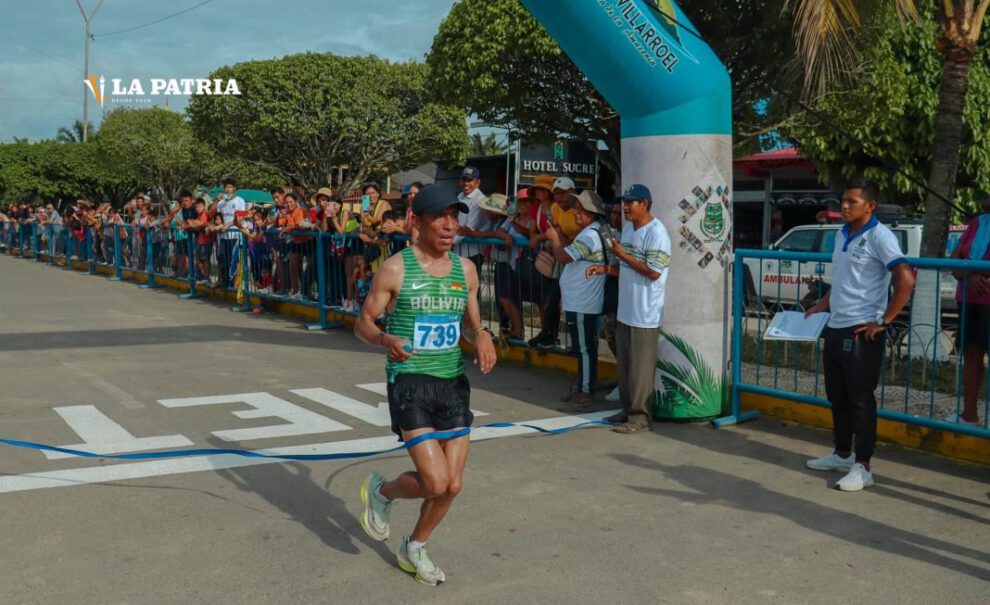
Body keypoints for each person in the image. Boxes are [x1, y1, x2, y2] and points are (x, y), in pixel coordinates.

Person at [354, 184, 497, 587]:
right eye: (442, 217)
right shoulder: (396, 268)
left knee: (452, 485)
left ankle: (414, 546)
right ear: (418, 221)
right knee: (433, 482)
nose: (451, 226)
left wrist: (483, 334)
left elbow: (472, 321)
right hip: (411, 382)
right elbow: (362, 323)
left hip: (452, 382)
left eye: (456, 217)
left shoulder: (465, 270)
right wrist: (385, 339)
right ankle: (382, 492)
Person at [804, 179, 916, 491]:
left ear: (870, 205)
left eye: (852, 201)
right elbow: (843, 279)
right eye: (843, 200)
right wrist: (823, 304)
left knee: (861, 400)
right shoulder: (842, 233)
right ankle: (841, 453)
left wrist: (884, 320)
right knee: (837, 395)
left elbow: (905, 278)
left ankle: (863, 466)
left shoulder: (881, 236)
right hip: (836, 325)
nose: (844, 206)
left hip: (861, 331)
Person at [586, 184, 671, 435]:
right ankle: (627, 410)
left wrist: (620, 255)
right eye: (624, 202)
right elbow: (629, 267)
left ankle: (640, 417)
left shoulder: (657, 233)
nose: (625, 207)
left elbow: (653, 272)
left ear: (644, 204)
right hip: (627, 310)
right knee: (625, 366)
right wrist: (605, 269)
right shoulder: (631, 231)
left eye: (630, 203)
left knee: (641, 370)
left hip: (645, 313)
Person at [545, 190, 608, 412]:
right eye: (576, 208)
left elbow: (563, 256)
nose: (576, 212)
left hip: (583, 301)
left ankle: (586, 392)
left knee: (583, 348)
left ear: (592, 213)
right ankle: (583, 387)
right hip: (580, 300)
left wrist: (553, 238)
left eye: (581, 209)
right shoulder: (591, 233)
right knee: (584, 347)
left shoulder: (590, 236)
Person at [526, 174, 562, 349]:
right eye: (538, 189)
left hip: (559, 255)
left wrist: (541, 236)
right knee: (545, 298)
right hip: (546, 256)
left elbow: (550, 232)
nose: (540, 192)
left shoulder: (556, 207)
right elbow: (532, 233)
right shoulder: (536, 208)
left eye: (543, 189)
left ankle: (551, 334)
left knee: (553, 298)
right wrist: (543, 236)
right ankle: (547, 333)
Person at [215, 178, 246, 289]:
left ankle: (235, 284)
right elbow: (216, 216)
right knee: (224, 259)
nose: (228, 189)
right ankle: (225, 282)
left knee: (235, 261)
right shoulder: (221, 203)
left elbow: (242, 217)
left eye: (230, 187)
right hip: (224, 236)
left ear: (234, 188)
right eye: (226, 187)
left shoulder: (240, 200)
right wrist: (216, 201)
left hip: (236, 235)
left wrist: (228, 225)